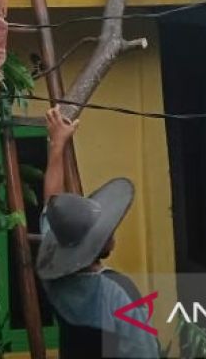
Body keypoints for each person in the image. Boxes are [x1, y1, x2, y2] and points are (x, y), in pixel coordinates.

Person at [37, 106, 159, 358]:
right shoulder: (119, 293)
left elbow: (52, 203)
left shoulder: (55, 281)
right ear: (101, 245)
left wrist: (57, 144)